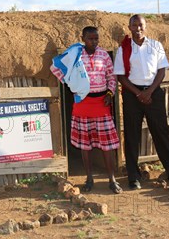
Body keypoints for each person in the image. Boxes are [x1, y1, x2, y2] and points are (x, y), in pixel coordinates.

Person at [51, 26, 122, 193]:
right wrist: (70, 85)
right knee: (85, 145)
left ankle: (112, 179)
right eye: (90, 38)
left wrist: (110, 93)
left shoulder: (104, 55)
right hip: (82, 104)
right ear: (82, 38)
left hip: (101, 104)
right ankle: (89, 179)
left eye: (96, 38)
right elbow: (56, 68)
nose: (94, 42)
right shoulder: (75, 54)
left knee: (107, 145)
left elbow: (112, 76)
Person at [114, 15, 169, 189]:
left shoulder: (156, 46)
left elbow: (161, 71)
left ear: (146, 26)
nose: (138, 28)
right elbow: (121, 76)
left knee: (161, 132)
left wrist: (149, 91)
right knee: (131, 135)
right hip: (132, 94)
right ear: (129, 27)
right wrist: (138, 93)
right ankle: (133, 176)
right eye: (134, 25)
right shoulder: (123, 49)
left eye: (141, 25)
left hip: (153, 93)